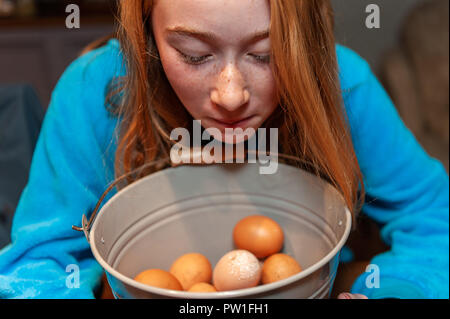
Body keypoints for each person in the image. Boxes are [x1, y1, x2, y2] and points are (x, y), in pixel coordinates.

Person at [0, 0, 448, 299]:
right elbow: (38, 262)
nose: (231, 95)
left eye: (267, 54)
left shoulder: (342, 85)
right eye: (194, 55)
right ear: (146, 30)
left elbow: (433, 218)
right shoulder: (93, 92)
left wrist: (393, 287)